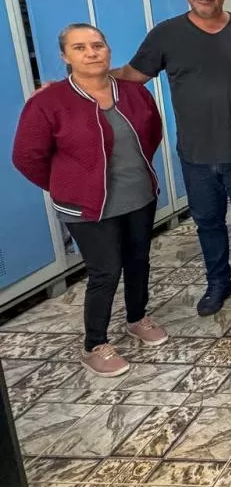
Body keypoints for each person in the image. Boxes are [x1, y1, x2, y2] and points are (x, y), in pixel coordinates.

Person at [113, 0, 231, 317]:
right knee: (208, 222)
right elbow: (133, 75)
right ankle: (218, 282)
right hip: (195, 154)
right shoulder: (167, 34)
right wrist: (83, 80)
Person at [13, 24, 166, 377]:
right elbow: (26, 156)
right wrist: (67, 186)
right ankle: (95, 343)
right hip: (87, 207)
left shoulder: (132, 92)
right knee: (106, 270)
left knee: (138, 259)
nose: (91, 53)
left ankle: (137, 318)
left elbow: (152, 133)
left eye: (97, 45)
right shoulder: (49, 102)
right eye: (79, 48)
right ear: (66, 57)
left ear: (108, 51)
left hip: (138, 196)